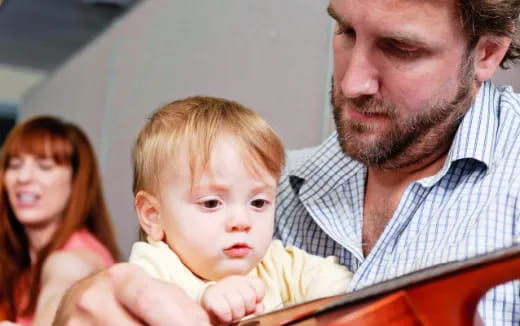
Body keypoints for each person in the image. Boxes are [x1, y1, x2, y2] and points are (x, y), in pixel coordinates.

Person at [53, 0, 520, 325]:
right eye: (345, 31)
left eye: (401, 48)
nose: (353, 81)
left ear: (486, 53)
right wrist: (76, 304)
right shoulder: (275, 184)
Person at [128, 96, 353, 324]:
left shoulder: (273, 261)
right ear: (153, 216)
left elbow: (338, 282)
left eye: (258, 203)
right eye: (211, 203)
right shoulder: (151, 268)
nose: (242, 221)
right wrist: (202, 302)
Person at [0, 116, 120, 326]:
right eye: (15, 165)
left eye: (44, 166)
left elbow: (62, 284)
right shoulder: (23, 263)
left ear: (76, 182)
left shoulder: (76, 257)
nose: (23, 177)